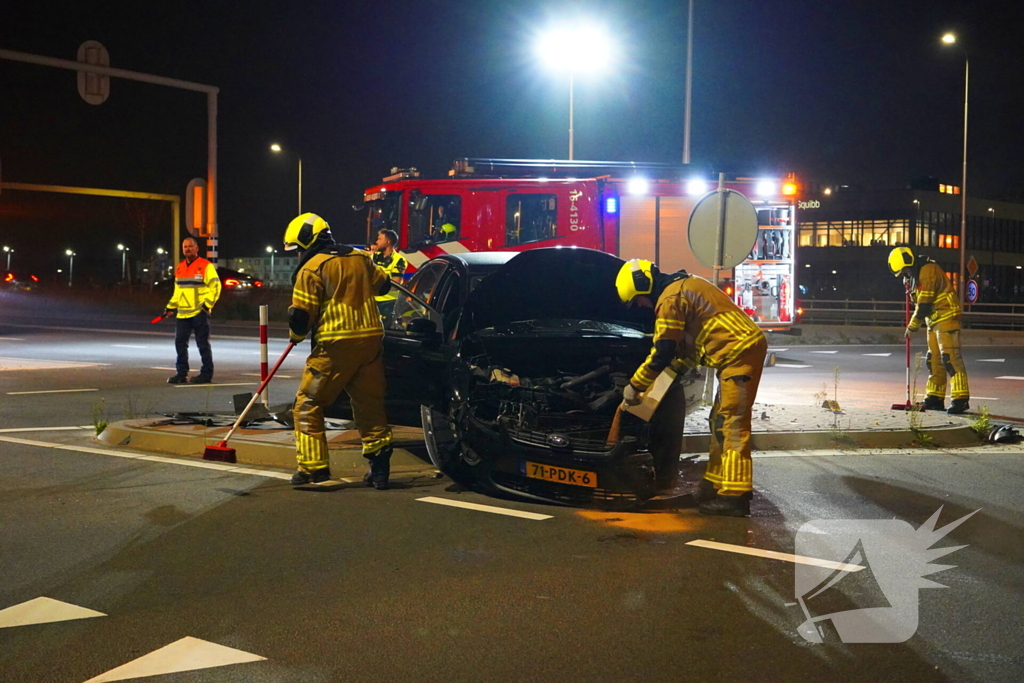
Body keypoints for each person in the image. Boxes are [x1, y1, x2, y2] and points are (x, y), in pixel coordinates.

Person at [616, 259, 768, 517]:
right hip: (737, 352)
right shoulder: (683, 287)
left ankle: (735, 497)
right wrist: (671, 375)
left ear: (644, 286)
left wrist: (635, 386)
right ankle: (712, 486)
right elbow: (687, 348)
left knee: (731, 424)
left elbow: (662, 350)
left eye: (638, 300)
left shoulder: (670, 299)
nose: (641, 306)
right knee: (718, 421)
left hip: (738, 352)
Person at [284, 212, 395, 488]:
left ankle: (313, 469)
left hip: (335, 345)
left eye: (299, 248)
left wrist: (295, 336)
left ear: (307, 241)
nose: (299, 254)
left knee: (308, 404)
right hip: (370, 340)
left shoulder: (311, 268)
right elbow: (385, 285)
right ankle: (380, 471)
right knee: (369, 405)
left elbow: (300, 316)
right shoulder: (360, 258)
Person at [888, 247, 970, 414]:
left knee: (950, 358)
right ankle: (934, 397)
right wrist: (910, 287)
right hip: (933, 320)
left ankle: (960, 398)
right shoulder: (916, 275)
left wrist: (912, 326)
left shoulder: (927, 270)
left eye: (905, 272)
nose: (905, 275)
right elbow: (919, 301)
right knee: (934, 360)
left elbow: (924, 303)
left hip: (946, 315)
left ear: (909, 265)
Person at [164, 236, 221, 384]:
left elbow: (215, 287)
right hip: (183, 313)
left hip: (199, 313)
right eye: (185, 247)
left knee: (202, 345)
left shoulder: (206, 266)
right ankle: (181, 374)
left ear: (197, 248)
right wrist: (170, 307)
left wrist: (207, 306)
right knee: (180, 344)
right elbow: (178, 291)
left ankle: (206, 374)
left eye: (190, 246)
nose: (187, 249)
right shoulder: (180, 267)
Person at [372, 229, 408, 315]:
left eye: (380, 239)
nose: (377, 242)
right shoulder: (374, 257)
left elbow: (395, 285)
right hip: (373, 301)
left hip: (388, 303)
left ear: (387, 242)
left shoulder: (399, 260)